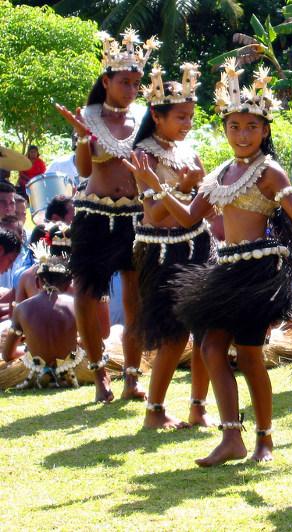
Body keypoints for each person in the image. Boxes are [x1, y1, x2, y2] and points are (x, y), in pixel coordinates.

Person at [127, 60, 292, 465]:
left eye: (251, 126)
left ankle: (265, 440)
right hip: (227, 270)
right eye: (234, 126)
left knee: (250, 355)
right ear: (224, 130)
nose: (242, 134)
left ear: (266, 130)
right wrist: (156, 187)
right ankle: (231, 437)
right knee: (211, 347)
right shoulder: (220, 172)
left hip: (258, 273)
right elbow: (187, 217)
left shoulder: (269, 171)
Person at [55, 28, 159, 402]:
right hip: (94, 215)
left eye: (136, 83)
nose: (131, 90)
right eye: (124, 82)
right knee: (87, 293)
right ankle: (100, 376)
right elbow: (84, 171)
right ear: (106, 81)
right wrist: (83, 136)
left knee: (136, 297)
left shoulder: (145, 118)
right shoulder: (89, 115)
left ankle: (133, 377)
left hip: (133, 216)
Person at [128, 62, 214, 429]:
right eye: (181, 117)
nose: (187, 124)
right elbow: (153, 214)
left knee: (207, 330)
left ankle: (198, 407)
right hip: (162, 249)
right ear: (156, 116)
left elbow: (203, 199)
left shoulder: (187, 151)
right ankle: (155, 410)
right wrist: (181, 186)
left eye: (191, 117)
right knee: (174, 334)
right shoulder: (143, 154)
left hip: (198, 243)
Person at [2, 240, 82, 389]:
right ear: (67, 284)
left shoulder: (22, 308)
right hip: (74, 368)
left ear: (38, 282)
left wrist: (29, 352)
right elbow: (93, 345)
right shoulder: (76, 306)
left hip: (32, 370)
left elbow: (7, 355)